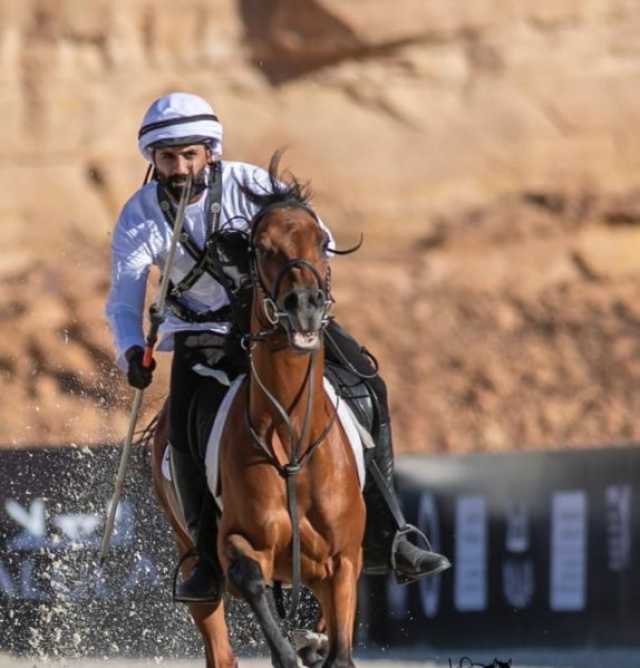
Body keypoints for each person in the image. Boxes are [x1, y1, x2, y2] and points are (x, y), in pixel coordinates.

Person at [105, 92, 450, 604]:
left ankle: (392, 531)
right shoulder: (138, 216)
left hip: (281, 320)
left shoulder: (252, 184)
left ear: (210, 152)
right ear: (152, 160)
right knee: (182, 430)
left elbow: (318, 236)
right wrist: (132, 351)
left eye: (190, 155)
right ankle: (204, 555)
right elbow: (123, 300)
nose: (179, 168)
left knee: (367, 386)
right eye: (167, 158)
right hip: (203, 338)